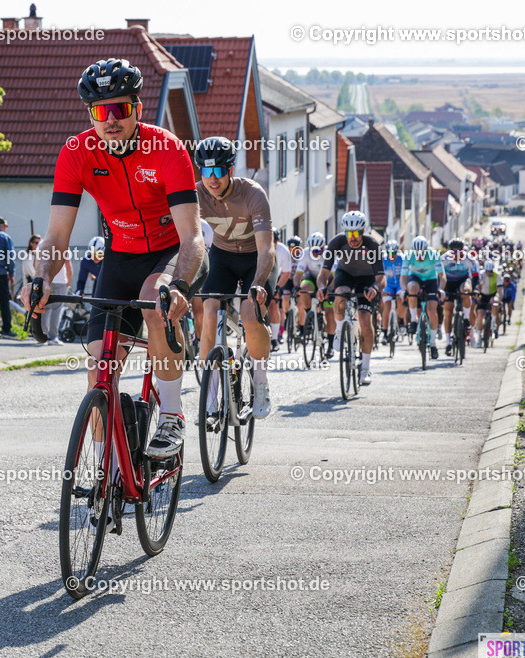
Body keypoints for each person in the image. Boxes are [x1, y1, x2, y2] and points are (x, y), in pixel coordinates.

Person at [22, 57, 207, 459]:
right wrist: (41, 277)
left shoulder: (167, 148)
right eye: (99, 111)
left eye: (119, 109)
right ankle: (105, 467)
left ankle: (171, 414)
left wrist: (178, 285)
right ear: (90, 115)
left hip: (171, 253)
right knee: (98, 369)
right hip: (120, 257)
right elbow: (56, 236)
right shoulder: (76, 152)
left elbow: (192, 236)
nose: (110, 120)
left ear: (137, 108)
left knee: (155, 300)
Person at [194, 136, 275, 419]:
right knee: (209, 310)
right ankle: (210, 397)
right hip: (222, 257)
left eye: (218, 171)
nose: (212, 179)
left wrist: (258, 283)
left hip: (255, 258)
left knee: (249, 314)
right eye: (206, 171)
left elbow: (266, 248)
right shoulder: (195, 195)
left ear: (230, 169)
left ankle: (261, 383)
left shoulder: (253, 194)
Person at [318, 211, 384, 385]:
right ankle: (340, 331)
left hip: (367, 279)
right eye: (349, 233)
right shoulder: (337, 242)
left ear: (363, 231)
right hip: (345, 274)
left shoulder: (372, 244)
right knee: (340, 293)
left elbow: (381, 278)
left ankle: (365, 368)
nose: (352, 238)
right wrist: (322, 287)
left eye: (356, 233)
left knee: (364, 318)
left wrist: (375, 288)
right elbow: (323, 274)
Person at [400, 236, 446, 359]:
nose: (420, 257)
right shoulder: (409, 256)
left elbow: (442, 276)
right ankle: (414, 320)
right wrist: (404, 290)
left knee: (431, 309)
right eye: (417, 254)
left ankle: (433, 344)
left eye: (422, 254)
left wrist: (441, 289)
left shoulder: (433, 254)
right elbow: (403, 277)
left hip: (431, 280)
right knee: (412, 288)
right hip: (415, 278)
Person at [440, 239, 479, 354]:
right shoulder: (444, 259)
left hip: (463, 281)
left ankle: (466, 318)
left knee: (466, 291)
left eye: (459, 251)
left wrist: (475, 289)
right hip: (449, 283)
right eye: (453, 251)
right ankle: (448, 342)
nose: (456, 254)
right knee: (448, 311)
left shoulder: (469, 259)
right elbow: (438, 275)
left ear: (463, 251)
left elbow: (475, 277)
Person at [295, 231, 334, 342]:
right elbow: (298, 275)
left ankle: (331, 343)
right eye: (313, 251)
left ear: (323, 247)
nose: (315, 254)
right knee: (303, 289)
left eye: (318, 251)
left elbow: (336, 276)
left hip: (328, 280)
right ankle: (310, 316)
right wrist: (296, 286)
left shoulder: (330, 253)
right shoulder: (305, 253)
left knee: (329, 312)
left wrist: (329, 289)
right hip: (312, 278)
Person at [381, 239, 406, 340]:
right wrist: (382, 290)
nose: (391, 255)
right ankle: (384, 333)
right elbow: (380, 275)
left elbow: (407, 274)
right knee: (387, 306)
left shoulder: (402, 259)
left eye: (394, 253)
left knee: (400, 299)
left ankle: (401, 321)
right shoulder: (383, 260)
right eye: (389, 253)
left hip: (400, 284)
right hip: (388, 285)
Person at [476, 259, 504, 343]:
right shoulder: (481, 274)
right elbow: (478, 285)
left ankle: (493, 321)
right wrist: (478, 294)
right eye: (487, 271)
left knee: (495, 302)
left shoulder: (497, 275)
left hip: (493, 294)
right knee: (480, 315)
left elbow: (500, 290)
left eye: (490, 271)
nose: (489, 273)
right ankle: (479, 336)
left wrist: (499, 299)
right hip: (483, 295)